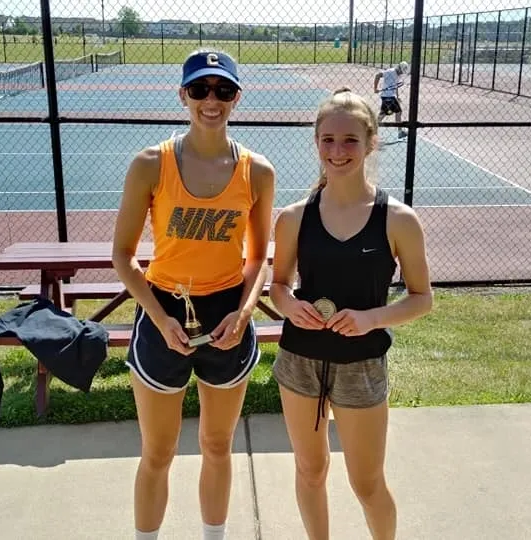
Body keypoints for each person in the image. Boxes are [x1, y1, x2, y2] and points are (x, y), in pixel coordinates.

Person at [111, 49, 276, 540]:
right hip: (163, 309)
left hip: (227, 313)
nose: (211, 100)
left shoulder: (257, 172)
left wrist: (244, 315)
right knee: (157, 453)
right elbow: (123, 256)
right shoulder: (150, 164)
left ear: (236, 98)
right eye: (200, 89)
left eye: (223, 90)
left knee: (217, 445)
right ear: (183, 95)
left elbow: (258, 260)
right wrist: (159, 318)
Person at [268, 87, 434, 540]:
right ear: (316, 143)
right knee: (310, 470)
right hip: (299, 361)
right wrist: (291, 307)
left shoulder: (398, 219)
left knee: (366, 483)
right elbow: (277, 286)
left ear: (371, 142)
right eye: (328, 140)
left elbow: (422, 299)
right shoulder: (294, 217)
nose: (337, 151)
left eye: (349, 141)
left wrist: (371, 318)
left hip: (361, 367)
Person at [373, 61, 409, 140]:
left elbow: (394, 86)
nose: (401, 73)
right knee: (386, 114)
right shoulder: (390, 71)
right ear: (399, 68)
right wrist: (375, 88)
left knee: (391, 113)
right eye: (401, 71)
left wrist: (397, 97)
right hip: (387, 96)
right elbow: (378, 75)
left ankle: (372, 131)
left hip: (391, 96)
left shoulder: (398, 75)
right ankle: (372, 131)